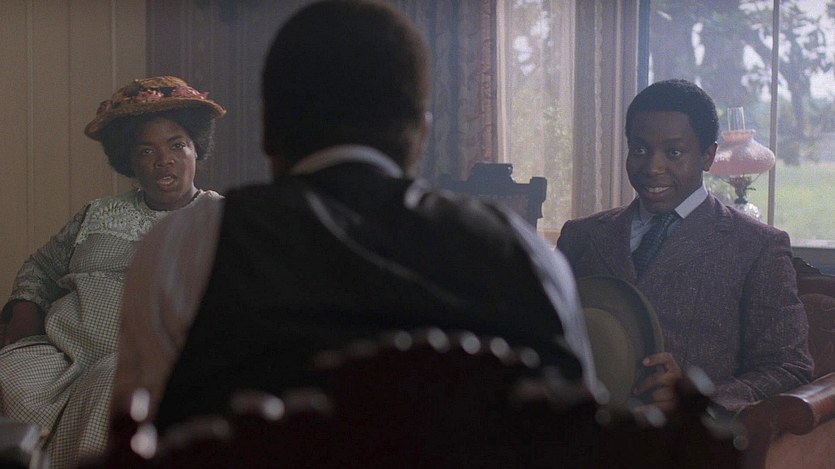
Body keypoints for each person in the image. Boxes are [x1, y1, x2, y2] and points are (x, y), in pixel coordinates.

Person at [110, 0, 597, 433]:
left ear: (266, 130)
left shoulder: (184, 246)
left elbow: (140, 440)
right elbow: (583, 438)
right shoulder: (525, 253)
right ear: (420, 134)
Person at [0, 75, 225, 468]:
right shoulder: (97, 213)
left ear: (196, 150)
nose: (164, 160)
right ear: (130, 161)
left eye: (177, 145)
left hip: (141, 359)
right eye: (146, 150)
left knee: (113, 386)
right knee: (9, 373)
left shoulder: (221, 219)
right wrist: (24, 310)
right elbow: (41, 268)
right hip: (62, 353)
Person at [557, 79, 813, 414]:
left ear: (708, 156)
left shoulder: (757, 247)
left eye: (674, 152)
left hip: (686, 438)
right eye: (640, 149)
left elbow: (790, 369)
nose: (653, 167)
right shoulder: (580, 236)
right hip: (580, 428)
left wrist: (698, 398)